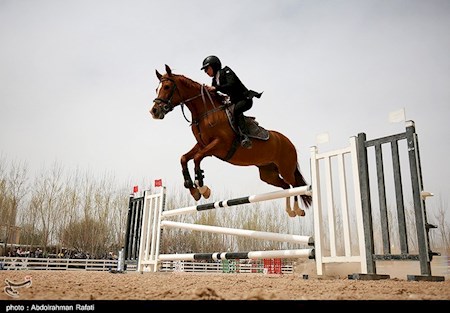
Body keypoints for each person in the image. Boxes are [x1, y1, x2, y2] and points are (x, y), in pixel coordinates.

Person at [201, 55, 262, 149]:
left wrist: (215, 88)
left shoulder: (226, 71)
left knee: (236, 111)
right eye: (205, 71)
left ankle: (245, 137)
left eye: (207, 69)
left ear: (214, 66)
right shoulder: (214, 80)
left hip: (245, 99)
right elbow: (215, 93)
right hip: (234, 102)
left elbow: (231, 84)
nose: (206, 72)